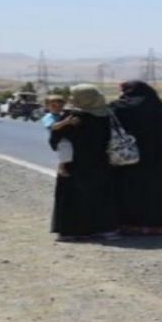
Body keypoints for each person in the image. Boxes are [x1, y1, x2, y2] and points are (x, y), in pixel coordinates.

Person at [50, 84, 119, 241]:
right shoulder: (106, 116)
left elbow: (56, 140)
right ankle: (103, 229)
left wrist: (62, 126)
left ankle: (72, 231)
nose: (71, 98)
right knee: (100, 196)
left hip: (74, 164)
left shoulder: (72, 117)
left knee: (74, 197)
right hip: (101, 163)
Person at [111, 81, 162, 235]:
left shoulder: (120, 107)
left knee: (130, 189)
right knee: (157, 190)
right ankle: (156, 225)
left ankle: (130, 224)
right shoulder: (160, 109)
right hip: (160, 159)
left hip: (130, 158)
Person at [42, 95, 74, 177]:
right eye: (53, 106)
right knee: (65, 149)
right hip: (57, 138)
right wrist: (66, 122)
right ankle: (61, 167)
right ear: (47, 106)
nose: (57, 108)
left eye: (60, 106)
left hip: (66, 135)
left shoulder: (62, 115)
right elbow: (53, 126)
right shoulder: (48, 117)